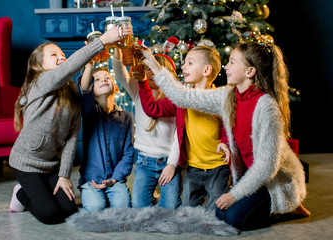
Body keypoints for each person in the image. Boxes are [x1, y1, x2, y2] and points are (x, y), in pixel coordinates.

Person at [139, 41, 310, 230]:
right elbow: (183, 97)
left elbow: (266, 169)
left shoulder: (266, 107)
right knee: (219, 212)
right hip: (249, 177)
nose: (226, 67)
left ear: (250, 72)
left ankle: (287, 205)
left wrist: (234, 195)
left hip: (273, 182)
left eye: (232, 62)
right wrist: (154, 64)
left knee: (233, 219)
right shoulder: (229, 95)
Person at [8, 26, 131, 224]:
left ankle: (41, 188)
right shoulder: (40, 82)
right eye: (53, 54)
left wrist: (64, 175)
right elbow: (67, 69)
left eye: (62, 54)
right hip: (26, 163)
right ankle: (21, 193)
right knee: (50, 215)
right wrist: (103, 41)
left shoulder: (72, 95)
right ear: (38, 67)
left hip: (50, 165)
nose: (61, 57)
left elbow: (71, 139)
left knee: (68, 210)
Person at [137, 46, 231, 210]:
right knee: (187, 208)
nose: (183, 67)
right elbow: (152, 109)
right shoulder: (180, 99)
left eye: (190, 63)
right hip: (193, 167)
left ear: (206, 70)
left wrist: (224, 141)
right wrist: (142, 81)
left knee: (215, 211)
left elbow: (229, 126)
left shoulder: (221, 98)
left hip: (217, 166)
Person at [113, 49, 181, 209]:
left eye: (158, 68)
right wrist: (118, 50)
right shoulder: (138, 90)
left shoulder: (176, 98)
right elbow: (120, 74)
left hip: (167, 162)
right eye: (149, 67)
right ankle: (153, 194)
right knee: (138, 207)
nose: (152, 72)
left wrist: (172, 164)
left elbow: (180, 135)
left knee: (171, 209)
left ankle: (161, 194)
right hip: (144, 161)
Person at [77, 63, 134, 213]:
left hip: (115, 180)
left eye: (107, 77)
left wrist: (115, 179)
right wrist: (89, 65)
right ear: (92, 89)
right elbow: (84, 91)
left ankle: (112, 191)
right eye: (97, 80)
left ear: (115, 87)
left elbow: (128, 154)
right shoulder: (89, 112)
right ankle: (90, 192)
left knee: (122, 207)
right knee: (96, 207)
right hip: (91, 180)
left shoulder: (126, 117)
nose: (103, 80)